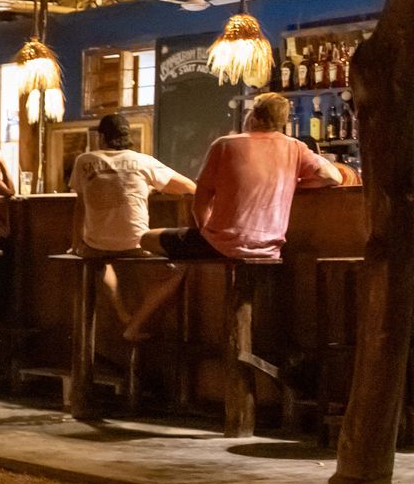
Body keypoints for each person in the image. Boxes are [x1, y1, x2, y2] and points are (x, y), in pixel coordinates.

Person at [133, 91, 340, 331]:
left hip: (221, 245)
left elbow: (200, 199)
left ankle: (155, 321)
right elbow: (332, 176)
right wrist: (298, 183)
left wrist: (206, 231)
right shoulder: (295, 147)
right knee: (185, 260)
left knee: (145, 239)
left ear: (254, 115)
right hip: (269, 248)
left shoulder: (225, 145)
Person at [69, 114, 196, 339]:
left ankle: (122, 313)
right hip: (136, 244)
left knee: (100, 261)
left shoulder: (83, 161)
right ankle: (135, 324)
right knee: (176, 272)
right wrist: (151, 187)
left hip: (94, 245)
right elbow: (189, 187)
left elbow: (80, 205)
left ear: (101, 137)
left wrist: (77, 241)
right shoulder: (142, 161)